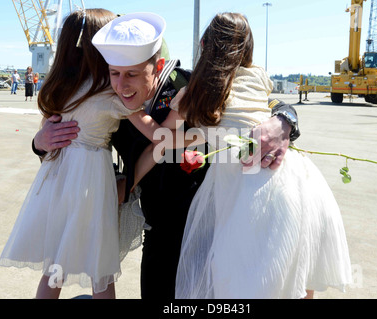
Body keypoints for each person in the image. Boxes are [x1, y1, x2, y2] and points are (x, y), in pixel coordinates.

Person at [34, 12, 300, 299]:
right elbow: (78, 156)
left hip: (209, 227)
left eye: (133, 73)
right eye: (115, 71)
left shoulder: (188, 84)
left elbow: (263, 103)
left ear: (156, 66)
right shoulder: (109, 101)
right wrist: (40, 142)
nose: (122, 84)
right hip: (158, 229)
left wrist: (284, 120)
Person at [145, 12, 351, 299]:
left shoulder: (195, 92)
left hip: (248, 194)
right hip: (295, 181)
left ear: (204, 44)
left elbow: (162, 137)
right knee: (295, 276)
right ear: (248, 48)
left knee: (238, 281)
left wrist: (129, 112)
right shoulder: (258, 76)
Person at [0, 8, 135, 299]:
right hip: (91, 182)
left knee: (55, 266)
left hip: (57, 182)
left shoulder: (58, 87)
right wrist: (39, 141)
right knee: (101, 268)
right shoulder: (110, 92)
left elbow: (49, 139)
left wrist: (40, 140)